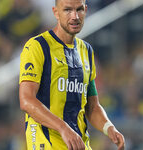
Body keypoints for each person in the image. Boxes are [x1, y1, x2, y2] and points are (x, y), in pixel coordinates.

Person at [19, 0, 125, 149]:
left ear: (86, 10)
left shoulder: (86, 51)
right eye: (67, 10)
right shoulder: (37, 46)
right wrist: (63, 128)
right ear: (56, 12)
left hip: (79, 144)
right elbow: (26, 100)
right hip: (47, 144)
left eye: (79, 9)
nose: (75, 16)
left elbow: (92, 106)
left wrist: (109, 128)